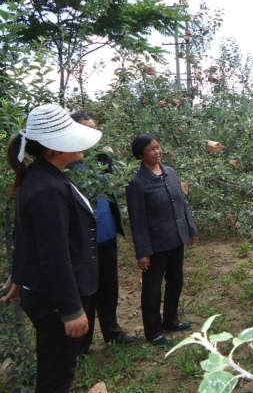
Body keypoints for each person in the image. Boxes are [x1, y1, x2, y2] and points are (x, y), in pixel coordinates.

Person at [2, 103, 102, 392]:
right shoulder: (47, 188)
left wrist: (21, 274)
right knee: (57, 374)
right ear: (53, 149)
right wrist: (70, 310)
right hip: (54, 300)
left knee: (57, 367)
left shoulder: (44, 177)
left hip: (47, 293)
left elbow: (29, 234)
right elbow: (54, 253)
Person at [68, 112, 134, 348]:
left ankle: (112, 331)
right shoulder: (67, 162)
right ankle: (83, 341)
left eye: (95, 129)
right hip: (81, 239)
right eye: (87, 129)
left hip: (106, 234)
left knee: (109, 286)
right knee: (86, 289)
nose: (93, 134)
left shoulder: (102, 159)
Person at [126, 134, 198, 346]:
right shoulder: (137, 184)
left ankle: (171, 320)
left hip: (176, 238)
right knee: (152, 288)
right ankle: (154, 331)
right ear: (140, 155)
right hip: (155, 244)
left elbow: (182, 204)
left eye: (158, 147)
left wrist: (190, 229)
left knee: (176, 281)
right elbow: (137, 220)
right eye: (151, 149)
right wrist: (142, 252)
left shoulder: (170, 173)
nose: (157, 152)